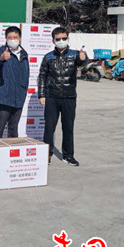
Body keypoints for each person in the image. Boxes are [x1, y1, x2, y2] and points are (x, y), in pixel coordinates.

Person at [38, 26, 88, 166]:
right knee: (49, 128)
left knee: (68, 127)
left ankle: (68, 155)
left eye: (63, 38)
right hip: (52, 97)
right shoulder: (48, 57)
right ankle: (47, 154)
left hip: (69, 97)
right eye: (58, 39)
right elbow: (42, 76)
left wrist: (84, 58)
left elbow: (83, 63)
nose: (61, 41)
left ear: (68, 39)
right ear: (53, 40)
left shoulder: (75, 54)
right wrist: (41, 95)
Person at [0, 26, 29, 138]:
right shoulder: (1, 51)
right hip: (3, 97)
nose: (13, 40)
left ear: (20, 38)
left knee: (13, 129)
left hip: (18, 98)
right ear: (6, 38)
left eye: (15, 37)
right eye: (10, 37)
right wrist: (2, 57)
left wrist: (23, 91)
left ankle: (12, 150)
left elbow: (25, 75)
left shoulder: (24, 54)